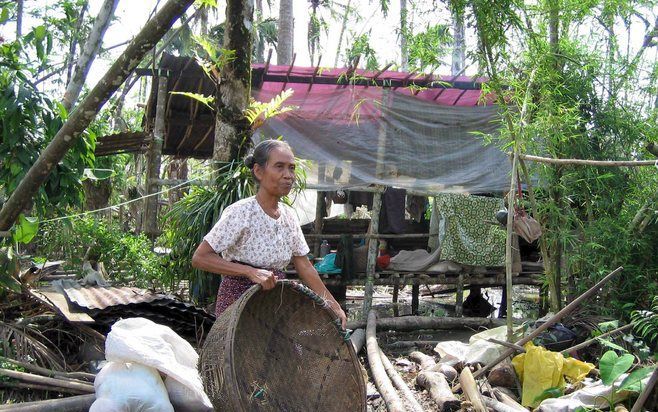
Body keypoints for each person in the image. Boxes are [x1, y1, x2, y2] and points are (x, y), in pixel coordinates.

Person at [192, 139, 347, 328]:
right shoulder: (241, 212)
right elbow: (200, 258)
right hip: (237, 304)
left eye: (291, 168)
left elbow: (304, 266)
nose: (288, 175)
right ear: (258, 171)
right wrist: (250, 272)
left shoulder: (289, 216)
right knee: (241, 355)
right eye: (279, 167)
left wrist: (331, 304)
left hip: (274, 302)